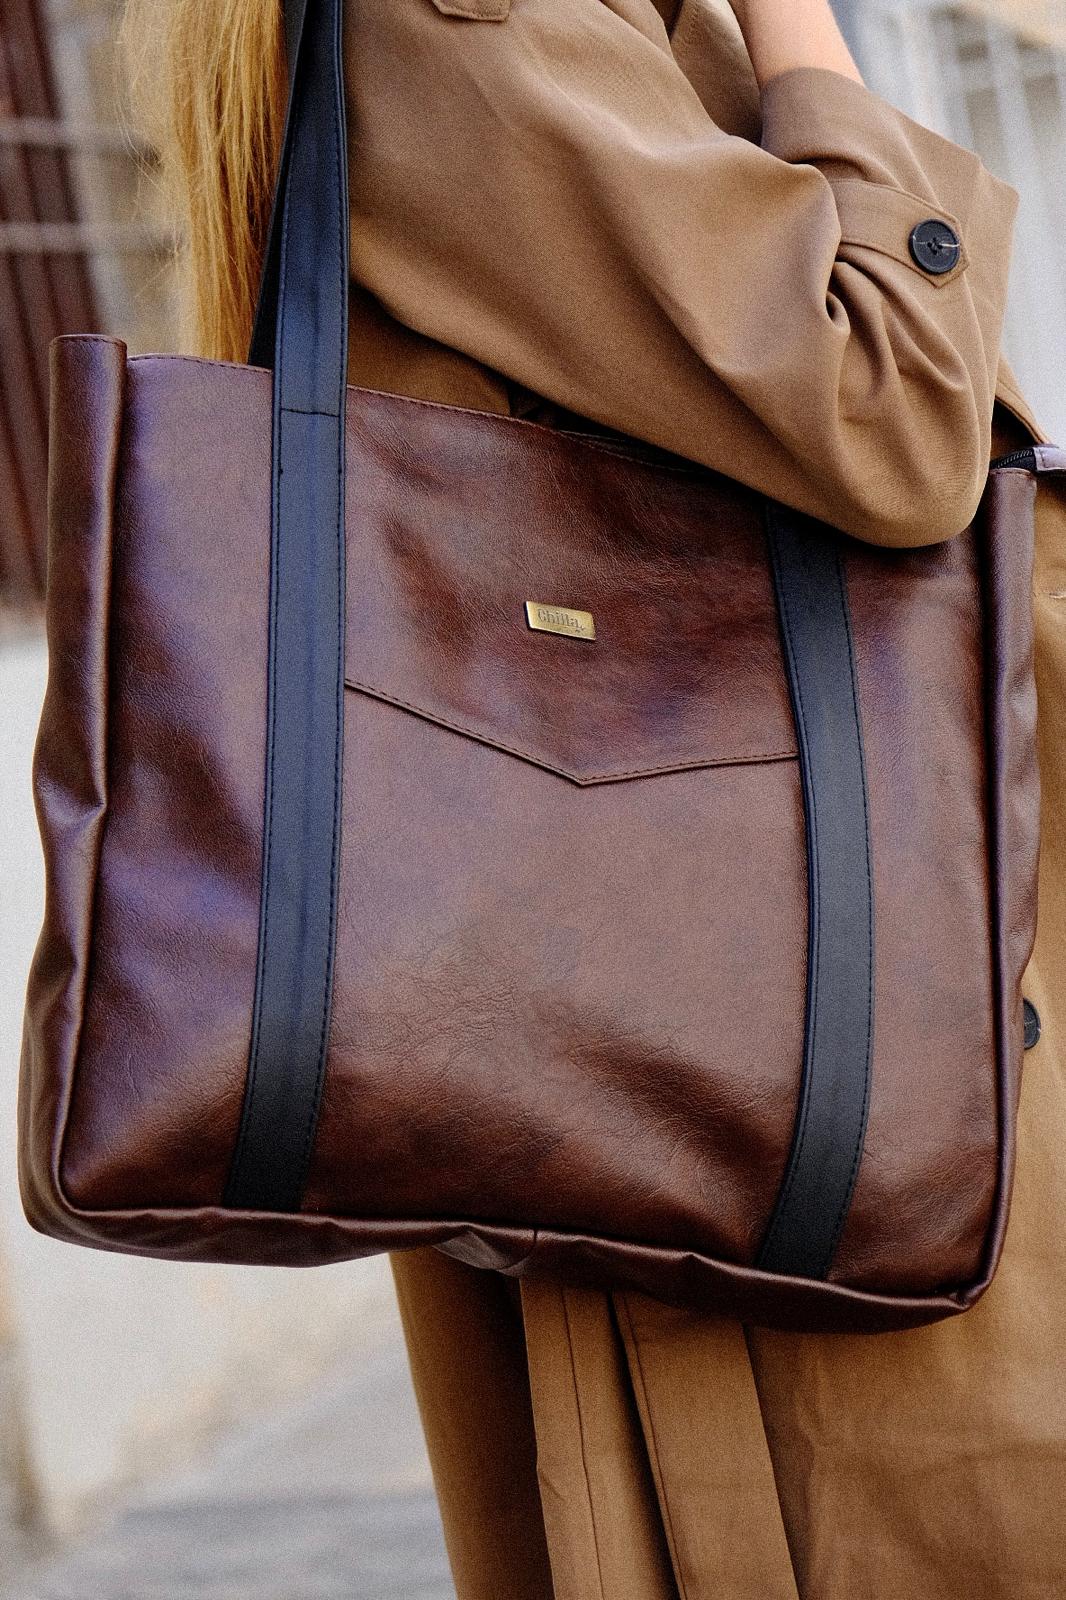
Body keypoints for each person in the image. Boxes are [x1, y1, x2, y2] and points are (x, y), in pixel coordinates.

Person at [125, 0, 1066, 1595]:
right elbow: (890, 412)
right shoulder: (475, 21)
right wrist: (796, 25)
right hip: (773, 1047)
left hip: (760, 1005)